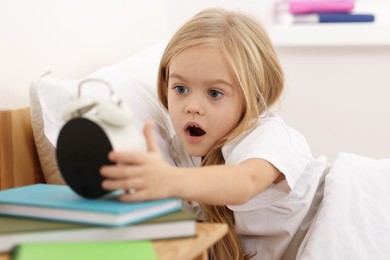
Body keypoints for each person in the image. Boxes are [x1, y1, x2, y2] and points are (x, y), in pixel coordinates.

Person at [100, 8, 327, 260]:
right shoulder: (180, 154)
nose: (192, 106)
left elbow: (244, 182)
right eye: (181, 88)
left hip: (343, 215)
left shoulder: (267, 136)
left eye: (215, 93)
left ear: (251, 96)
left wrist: (168, 179)